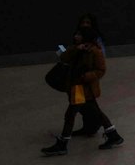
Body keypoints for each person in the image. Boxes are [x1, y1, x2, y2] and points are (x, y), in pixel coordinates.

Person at [39, 26, 123, 156]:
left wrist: (85, 77)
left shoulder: (95, 51)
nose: (76, 37)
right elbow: (64, 58)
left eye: (79, 35)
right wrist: (75, 49)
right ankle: (114, 136)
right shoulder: (76, 48)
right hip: (77, 87)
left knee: (70, 115)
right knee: (97, 113)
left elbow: (101, 70)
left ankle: (62, 144)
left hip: (83, 89)